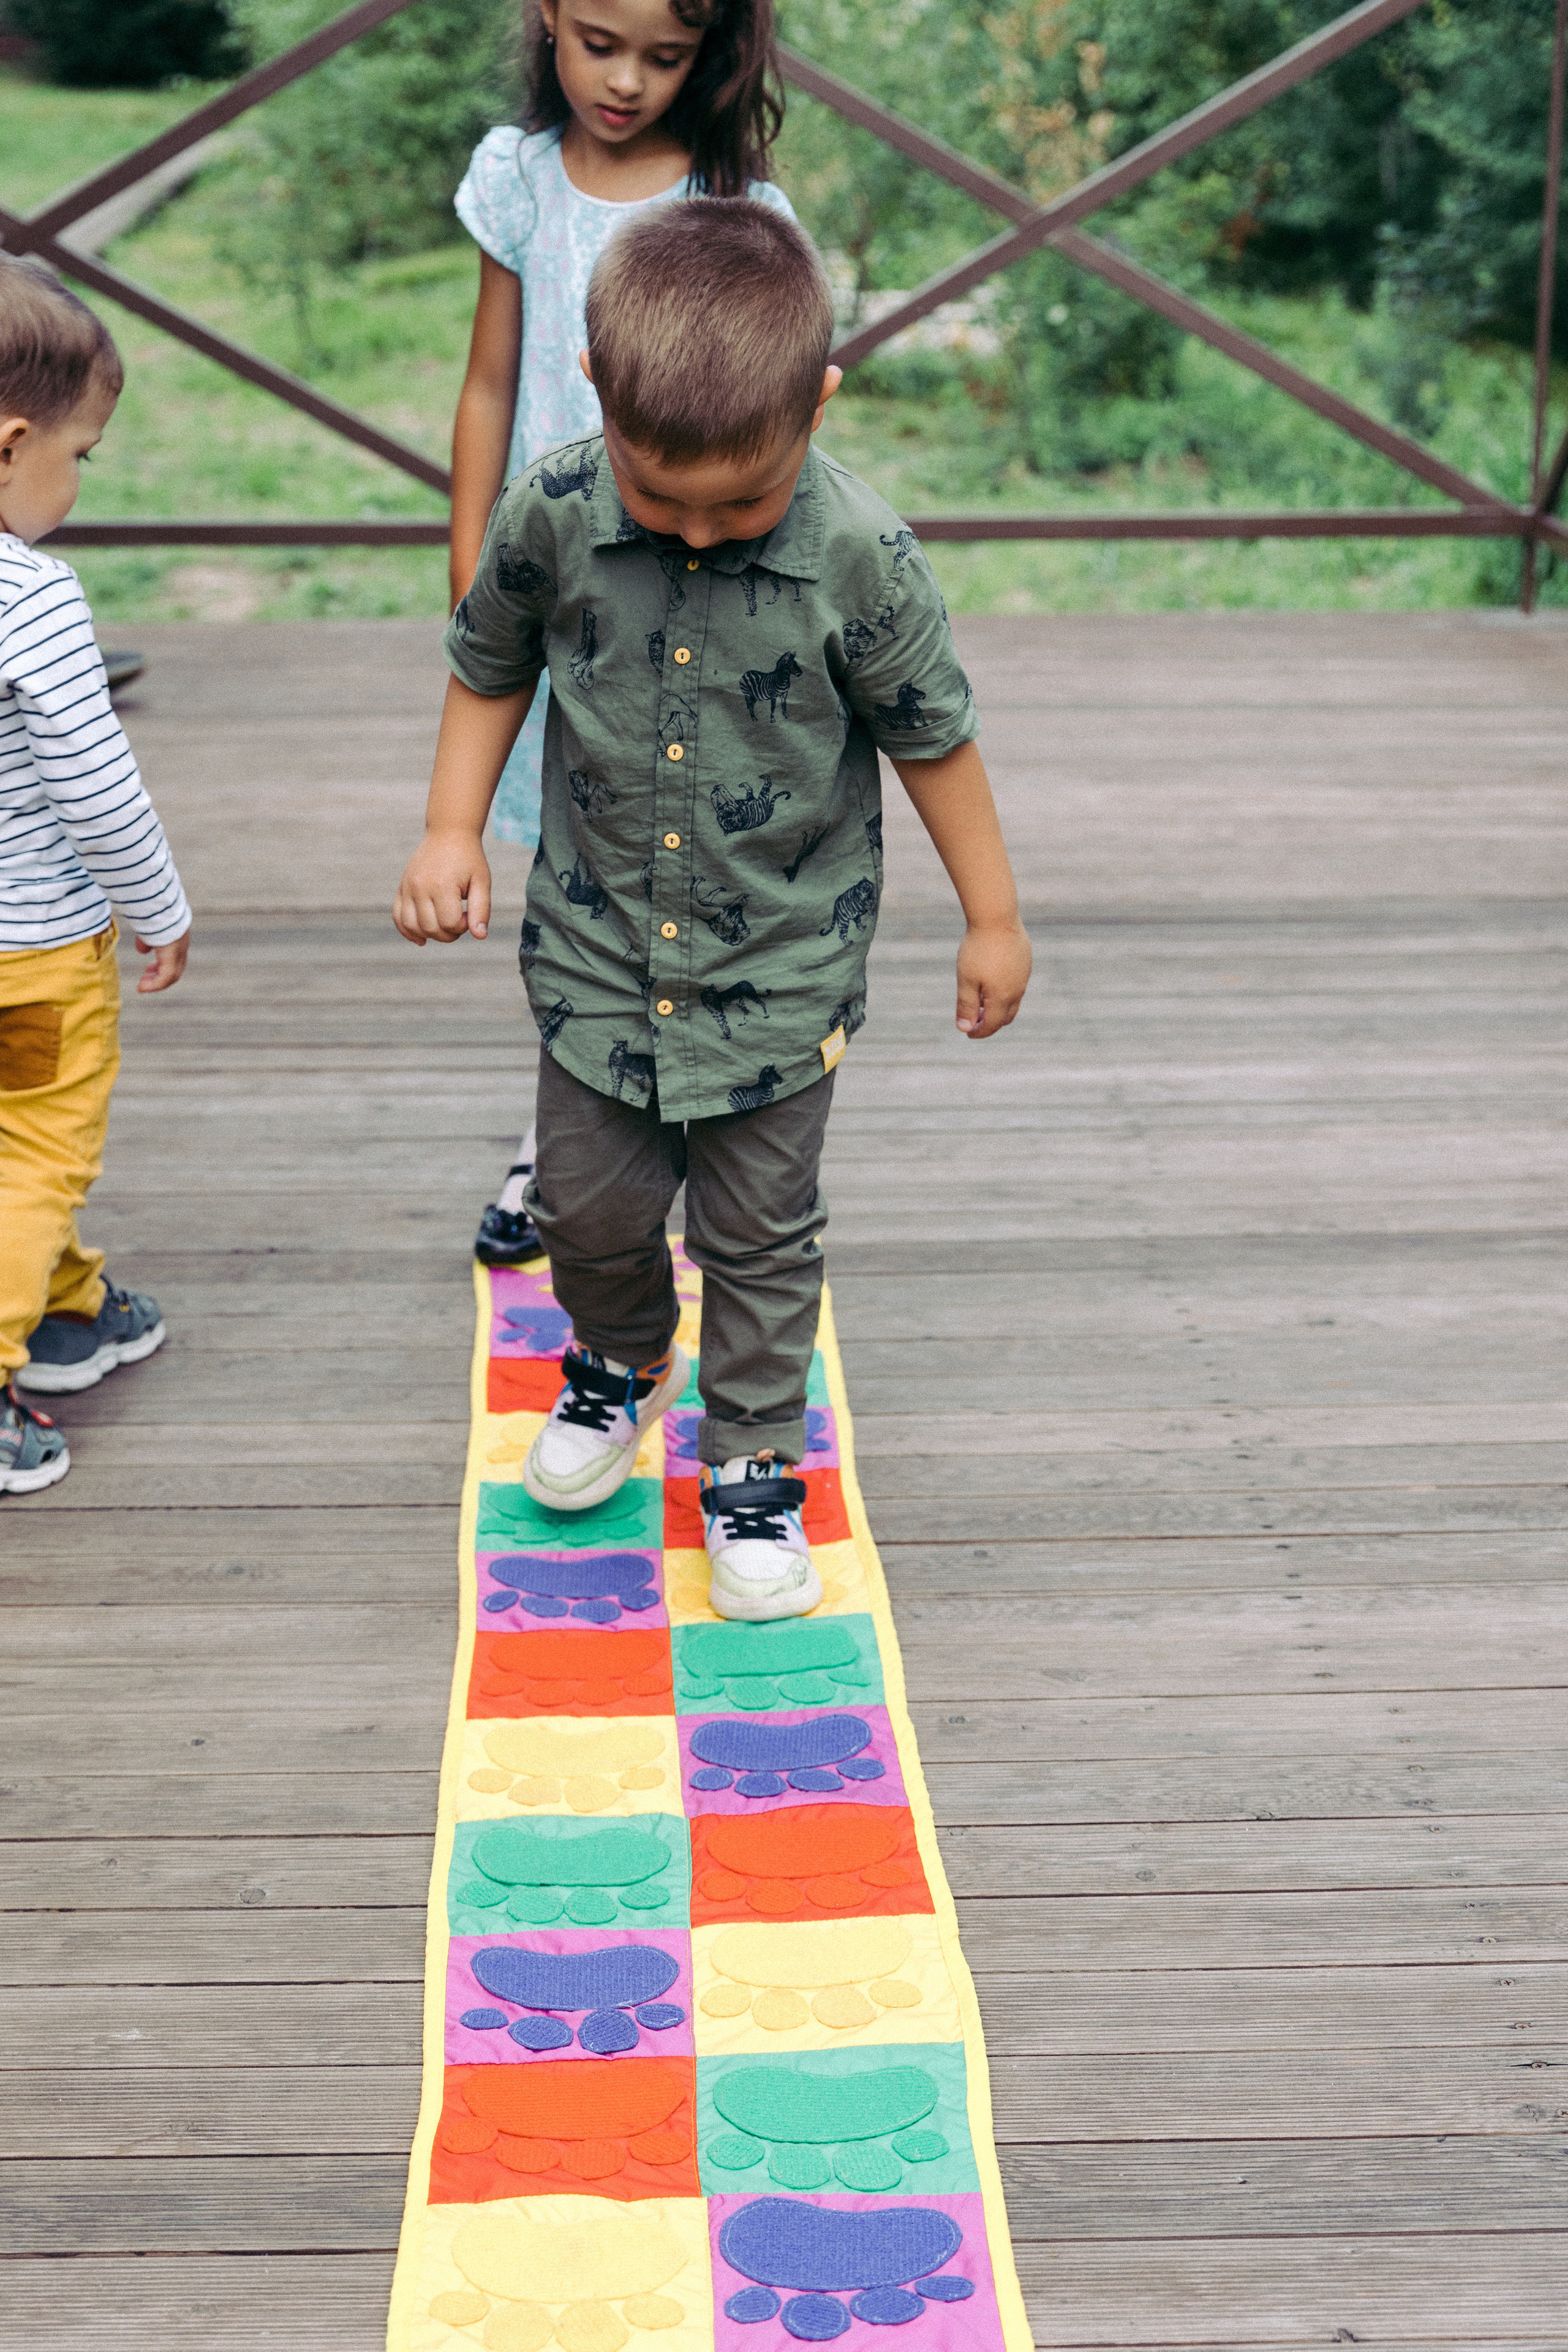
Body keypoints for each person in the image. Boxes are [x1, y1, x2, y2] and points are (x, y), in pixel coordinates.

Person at [393, 198, 1031, 1621]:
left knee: (759, 1234)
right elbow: (488, 662)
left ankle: (750, 1460)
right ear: (596, 385)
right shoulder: (554, 507)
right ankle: (616, 1361)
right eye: (656, 493)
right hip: (597, 957)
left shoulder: (862, 553)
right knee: (588, 1206)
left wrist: (992, 917)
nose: (690, 528)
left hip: (780, 967)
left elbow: (933, 734)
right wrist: (449, 827)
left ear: (817, 401)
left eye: (735, 505)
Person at [451, 0, 796, 1270]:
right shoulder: (517, 183)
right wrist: (472, 572)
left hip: (693, 598)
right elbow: (489, 383)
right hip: (555, 598)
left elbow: (774, 429)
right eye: (599, 43)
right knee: (573, 875)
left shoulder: (734, 208)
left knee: (687, 854)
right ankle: (566, 1135)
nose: (625, 82)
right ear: (546, 14)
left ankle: (707, 1119)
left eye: (666, 57)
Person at [0, 256, 190, 1495]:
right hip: (33, 957)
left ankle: (66, 1310)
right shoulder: (33, 598)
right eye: (84, 452)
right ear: (10, 443)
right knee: (36, 1147)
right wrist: (157, 905)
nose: (79, 479)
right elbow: (93, 779)